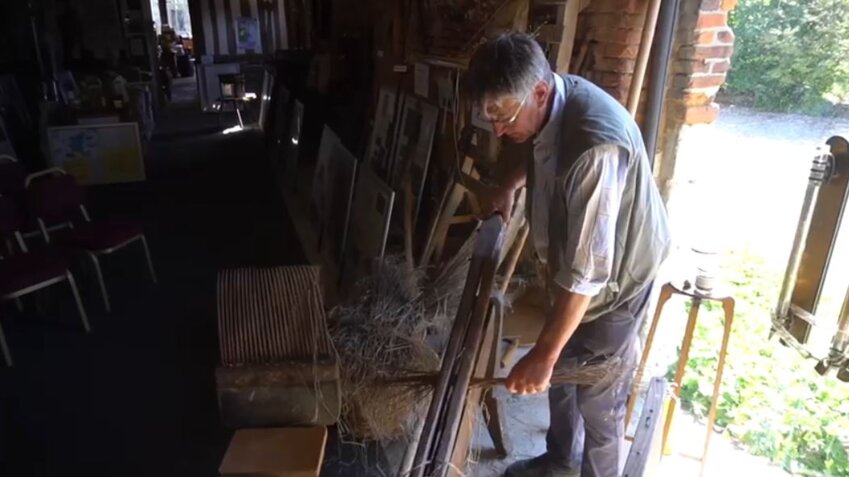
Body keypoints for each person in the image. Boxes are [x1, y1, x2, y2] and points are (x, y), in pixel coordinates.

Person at [465, 32, 671, 477]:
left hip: (616, 281)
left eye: (503, 117)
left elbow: (587, 276)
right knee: (561, 375)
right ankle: (560, 461)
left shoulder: (594, 148)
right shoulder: (549, 101)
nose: (498, 131)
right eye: (490, 119)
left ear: (539, 91)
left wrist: (543, 353)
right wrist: (511, 183)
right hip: (577, 269)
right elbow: (540, 145)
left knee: (597, 394)